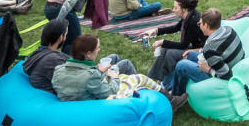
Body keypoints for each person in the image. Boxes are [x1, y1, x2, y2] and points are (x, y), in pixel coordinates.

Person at [52, 34, 186, 110]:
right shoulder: (90, 76)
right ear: (88, 53)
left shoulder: (58, 70)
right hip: (97, 105)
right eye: (97, 48)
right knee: (139, 78)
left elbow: (80, 82)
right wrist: (114, 77)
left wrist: (99, 72)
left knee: (120, 64)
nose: (98, 50)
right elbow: (109, 91)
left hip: (79, 99)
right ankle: (170, 102)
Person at [163, 8, 246, 95]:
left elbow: (226, 74)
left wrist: (208, 70)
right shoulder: (228, 30)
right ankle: (168, 85)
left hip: (221, 77)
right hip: (228, 62)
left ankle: (175, 95)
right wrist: (195, 50)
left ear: (206, 25)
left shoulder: (209, 49)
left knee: (181, 65)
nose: (199, 26)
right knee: (190, 55)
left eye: (200, 23)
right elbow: (218, 50)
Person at [145, 0, 207, 82]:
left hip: (200, 51)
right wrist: (156, 31)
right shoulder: (188, 15)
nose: (173, 10)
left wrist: (162, 42)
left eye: (176, 8)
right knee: (165, 49)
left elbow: (183, 45)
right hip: (194, 47)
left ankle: (168, 83)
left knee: (171, 53)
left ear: (184, 9)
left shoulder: (192, 21)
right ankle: (153, 78)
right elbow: (175, 28)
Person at [22, 18, 70, 94]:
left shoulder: (38, 53)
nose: (66, 37)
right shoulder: (54, 60)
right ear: (61, 37)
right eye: (66, 34)